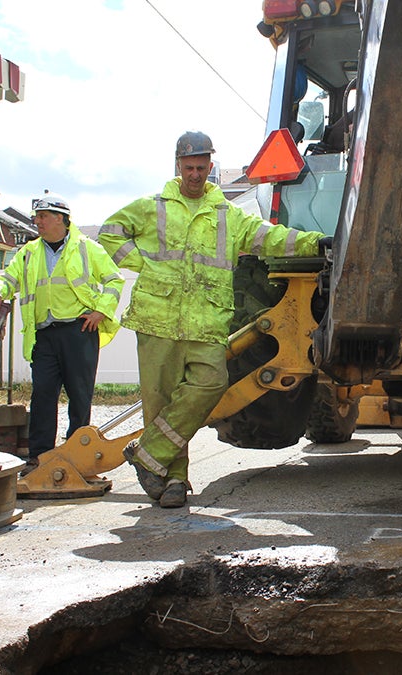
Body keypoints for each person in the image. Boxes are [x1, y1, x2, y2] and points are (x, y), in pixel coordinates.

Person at [99, 131, 330, 509]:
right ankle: (173, 480)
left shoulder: (227, 215)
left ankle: (147, 454)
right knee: (162, 404)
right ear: (178, 166)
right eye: (189, 167)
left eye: (202, 167)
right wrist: (144, 265)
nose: (195, 174)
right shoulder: (152, 207)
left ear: (211, 167)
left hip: (206, 323)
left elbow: (270, 238)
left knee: (210, 385)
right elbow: (109, 234)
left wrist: (314, 242)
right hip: (157, 318)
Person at [0, 193, 125, 467]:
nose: (37, 222)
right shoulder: (28, 252)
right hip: (44, 335)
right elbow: (7, 278)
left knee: (80, 395)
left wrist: (100, 311)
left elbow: (114, 280)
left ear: (60, 219)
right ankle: (39, 458)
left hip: (79, 331)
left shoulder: (87, 248)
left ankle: (76, 456)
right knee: (43, 395)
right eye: (36, 217)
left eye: (43, 216)